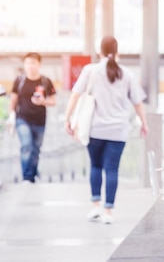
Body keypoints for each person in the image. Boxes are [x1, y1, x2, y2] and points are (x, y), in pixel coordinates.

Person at [64, 36, 148, 224]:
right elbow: (137, 102)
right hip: (118, 130)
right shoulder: (127, 74)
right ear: (117, 52)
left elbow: (75, 94)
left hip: (95, 129)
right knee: (112, 170)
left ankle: (95, 206)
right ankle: (108, 212)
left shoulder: (90, 70)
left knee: (96, 165)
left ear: (99, 52)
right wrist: (144, 123)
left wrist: (68, 118)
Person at [7, 52, 57, 183]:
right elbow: (13, 99)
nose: (30, 66)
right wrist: (11, 115)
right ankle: (27, 176)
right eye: (27, 63)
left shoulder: (46, 81)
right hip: (22, 118)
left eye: (33, 63)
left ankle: (33, 174)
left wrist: (43, 102)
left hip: (40, 120)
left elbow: (53, 101)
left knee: (36, 149)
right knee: (26, 145)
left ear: (39, 64)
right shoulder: (19, 81)